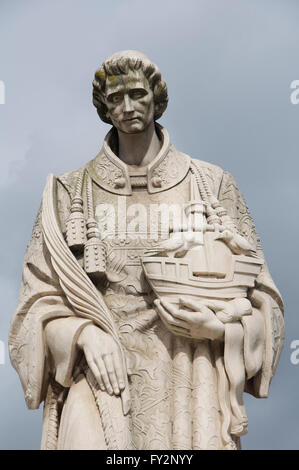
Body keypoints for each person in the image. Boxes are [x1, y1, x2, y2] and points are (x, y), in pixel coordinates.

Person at [9, 50, 284, 450]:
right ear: (104, 107)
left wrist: (222, 331)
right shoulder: (68, 192)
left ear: (156, 98)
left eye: (137, 94)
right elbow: (34, 306)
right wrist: (82, 334)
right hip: (100, 374)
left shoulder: (211, 184)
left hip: (191, 374)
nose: (127, 107)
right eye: (115, 98)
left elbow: (264, 300)